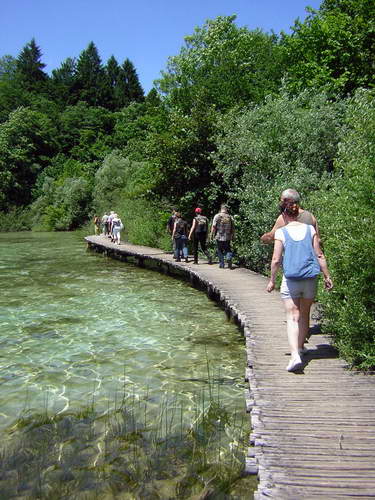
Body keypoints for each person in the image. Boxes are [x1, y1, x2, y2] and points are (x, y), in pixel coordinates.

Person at [266, 199, 333, 372]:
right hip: (310, 278)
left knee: (292, 316)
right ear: (297, 213)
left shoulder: (281, 233)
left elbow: (275, 260)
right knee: (304, 314)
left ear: (284, 214)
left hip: (291, 279)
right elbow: (319, 255)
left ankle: (295, 354)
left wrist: (272, 280)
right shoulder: (310, 229)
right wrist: (327, 276)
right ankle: (301, 346)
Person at [210, 204, 235, 269]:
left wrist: (211, 235)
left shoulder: (217, 216)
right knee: (228, 249)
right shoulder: (230, 217)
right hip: (227, 236)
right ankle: (229, 257)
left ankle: (222, 264)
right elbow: (233, 228)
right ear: (226, 209)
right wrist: (233, 236)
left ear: (221, 209)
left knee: (220, 250)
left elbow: (214, 227)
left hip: (219, 236)